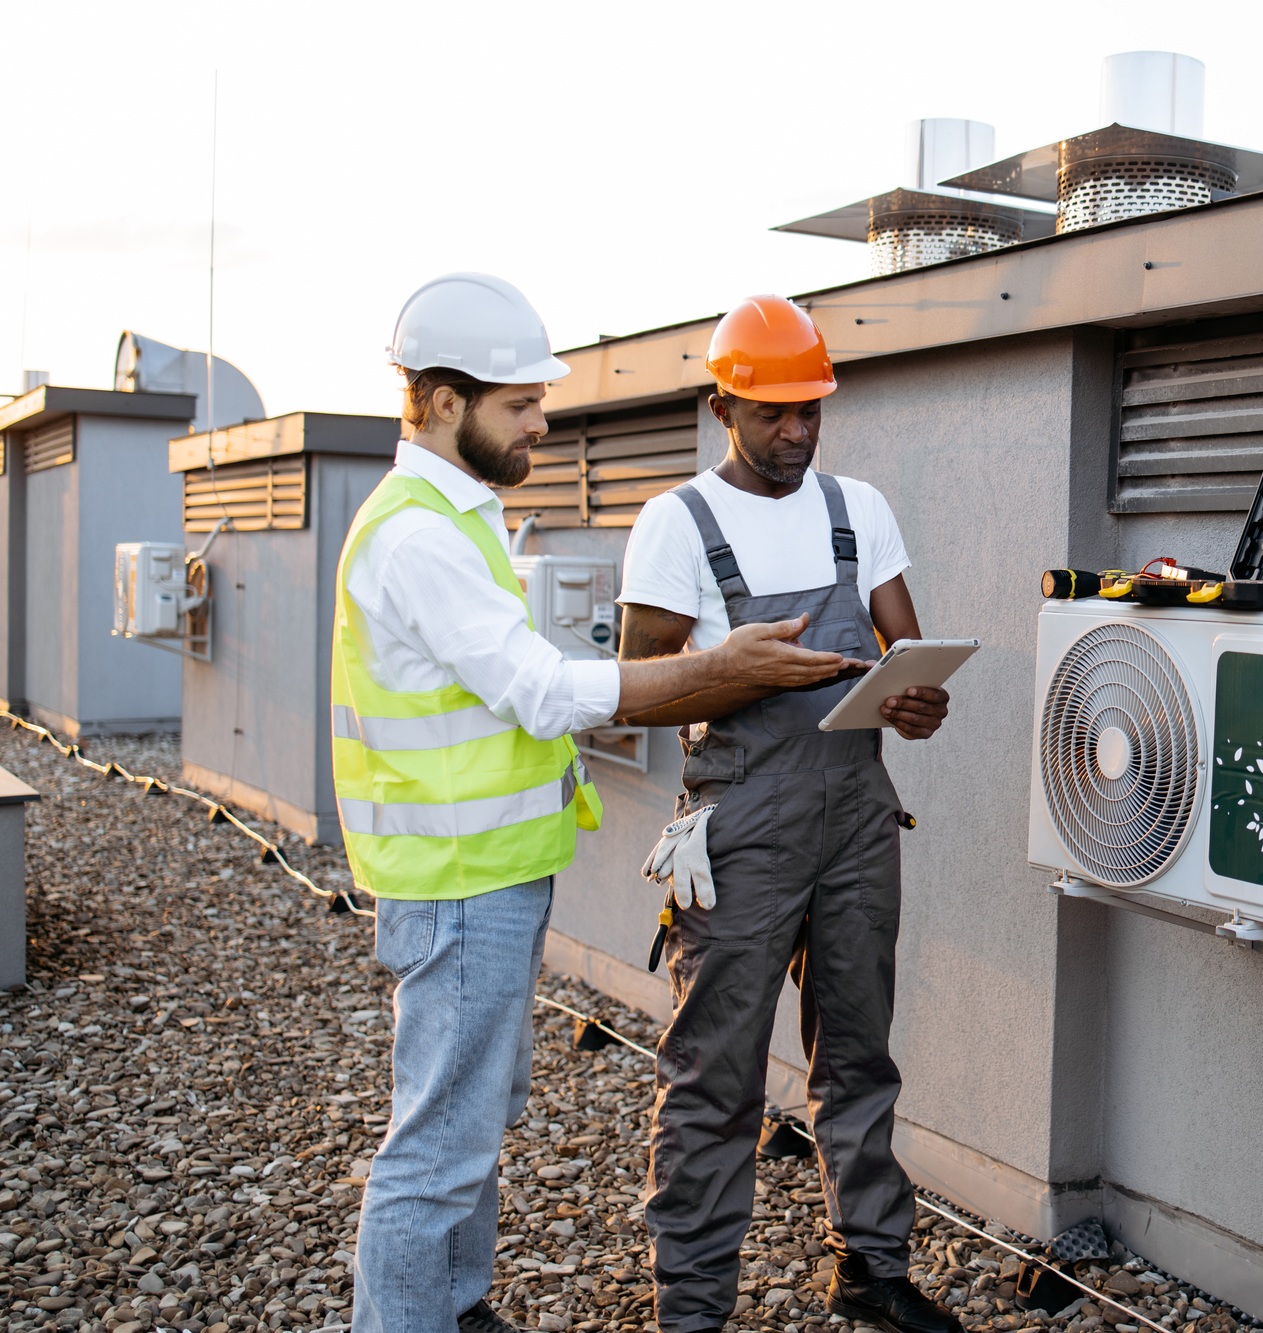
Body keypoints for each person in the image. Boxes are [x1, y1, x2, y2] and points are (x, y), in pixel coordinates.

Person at [340, 274, 861, 1333]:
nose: (543, 418)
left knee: (473, 1118)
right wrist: (713, 673)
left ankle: (457, 1306)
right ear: (442, 402)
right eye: (519, 403)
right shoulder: (419, 536)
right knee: (437, 1145)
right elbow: (538, 690)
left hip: (483, 870)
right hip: (454, 879)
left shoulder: (453, 518)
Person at [616, 294, 955, 1333]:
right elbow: (636, 686)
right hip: (741, 831)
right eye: (776, 414)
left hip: (857, 819)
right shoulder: (677, 523)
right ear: (725, 405)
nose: (798, 433)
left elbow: (910, 671)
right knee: (713, 1072)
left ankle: (870, 1268)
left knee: (858, 1051)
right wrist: (738, 671)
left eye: (812, 410)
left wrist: (918, 703)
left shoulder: (858, 509)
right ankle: (692, 1310)